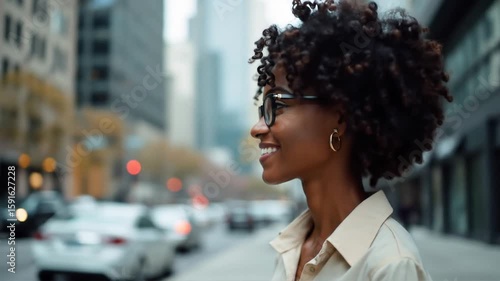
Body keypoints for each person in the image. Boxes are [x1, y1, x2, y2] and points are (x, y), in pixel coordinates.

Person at [248, 1, 452, 280]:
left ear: (340, 118)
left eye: (278, 105)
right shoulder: (292, 246)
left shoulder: (390, 265)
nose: (257, 128)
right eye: (263, 110)